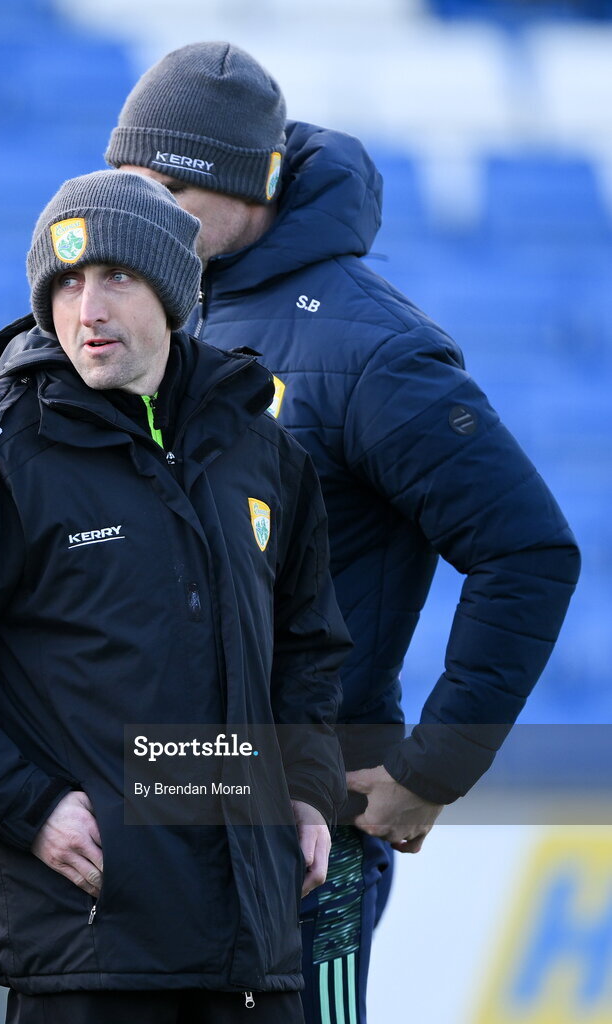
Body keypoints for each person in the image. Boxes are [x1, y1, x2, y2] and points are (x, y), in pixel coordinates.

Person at [105, 41, 581, 1024]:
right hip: (159, 811)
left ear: (250, 183)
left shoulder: (368, 347)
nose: (139, 213)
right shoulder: (154, 314)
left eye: (167, 188)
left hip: (304, 824)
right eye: (127, 183)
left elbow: (527, 549)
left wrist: (433, 769)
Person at [0, 169, 354, 1024]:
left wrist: (306, 787)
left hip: (258, 960)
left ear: (173, 288)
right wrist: (27, 805)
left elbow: (307, 646)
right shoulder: (0, 448)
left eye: (115, 276)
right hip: (92, 958)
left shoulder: (261, 448)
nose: (88, 310)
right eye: (67, 285)